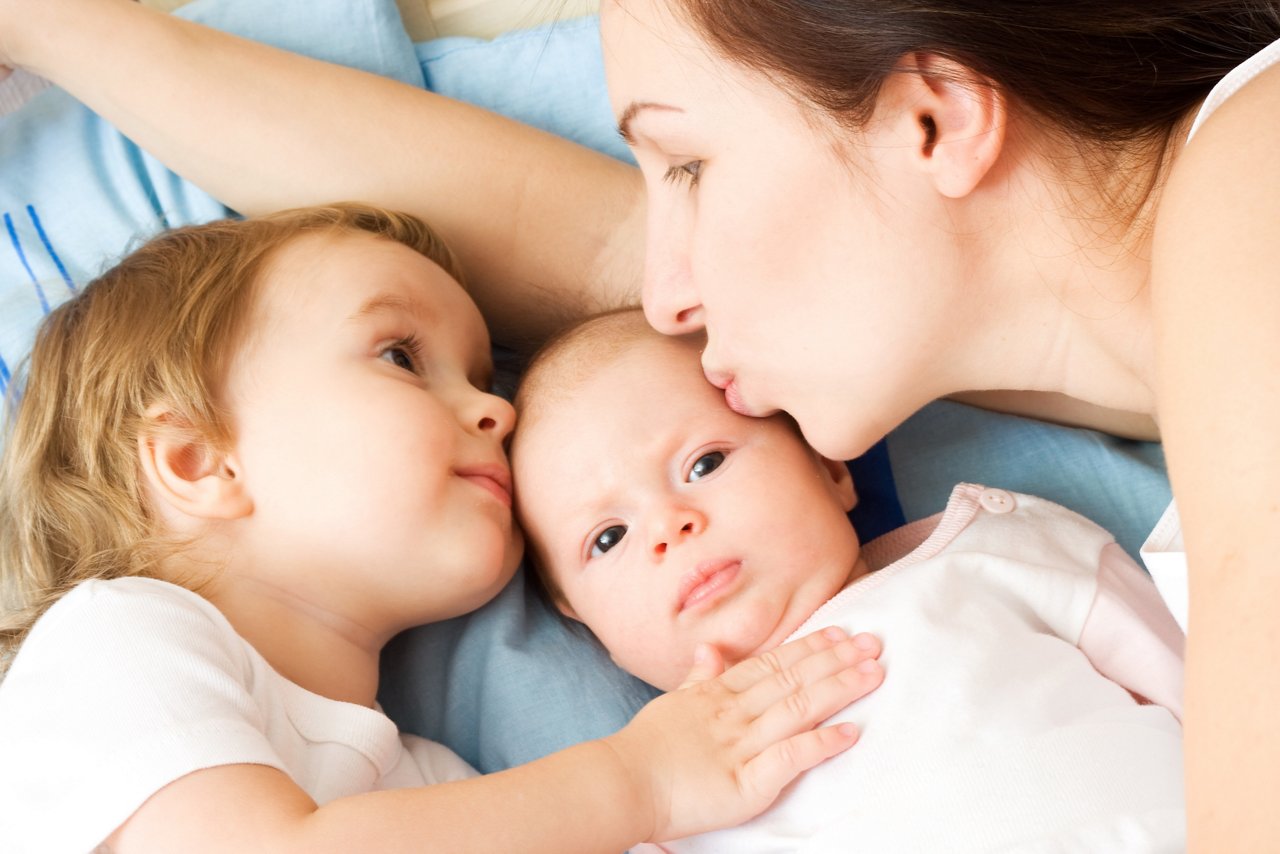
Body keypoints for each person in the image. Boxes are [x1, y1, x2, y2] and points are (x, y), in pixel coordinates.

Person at [2, 0, 1277, 841]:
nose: (663, 289)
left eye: (685, 165)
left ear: (931, 118)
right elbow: (560, 236)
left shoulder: (1249, 176)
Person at [0, 204, 886, 853]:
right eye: (400, 357)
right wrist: (639, 782)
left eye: (480, 378)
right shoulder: (113, 639)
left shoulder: (433, 784)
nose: (494, 411)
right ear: (201, 463)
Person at [510, 309, 1187, 851]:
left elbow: (1211, 695)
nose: (669, 525)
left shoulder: (999, 549)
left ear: (830, 470)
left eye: (705, 462)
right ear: (584, 622)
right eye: (608, 538)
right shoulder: (664, 801)